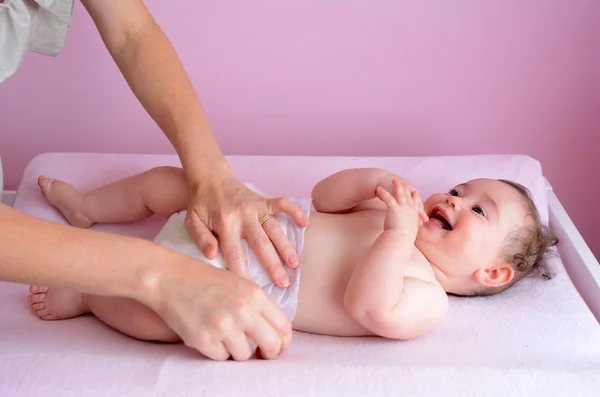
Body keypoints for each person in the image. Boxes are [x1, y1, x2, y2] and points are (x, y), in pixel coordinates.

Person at [0, 0, 308, 360]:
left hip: (239, 238)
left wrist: (210, 174)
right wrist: (156, 275)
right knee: (155, 317)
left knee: (171, 186)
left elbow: (132, 31)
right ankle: (86, 292)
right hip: (219, 268)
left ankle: (86, 208)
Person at [28, 166, 558, 359]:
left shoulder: (427, 297)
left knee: (157, 323)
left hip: (233, 285)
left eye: (477, 210)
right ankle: (88, 207)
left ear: (491, 272)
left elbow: (367, 305)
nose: (456, 200)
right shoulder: (391, 209)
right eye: (461, 190)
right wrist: (370, 180)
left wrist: (397, 235)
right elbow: (323, 197)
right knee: (171, 182)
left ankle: (89, 295)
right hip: (250, 221)